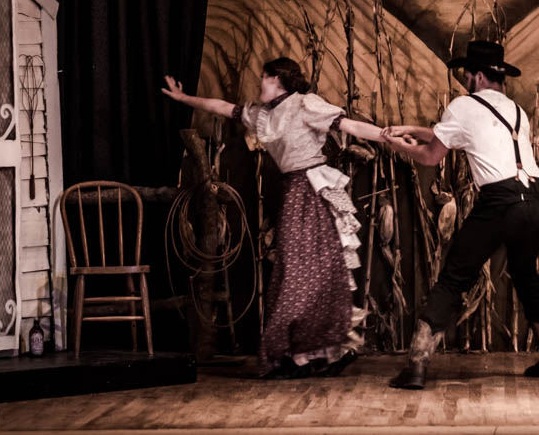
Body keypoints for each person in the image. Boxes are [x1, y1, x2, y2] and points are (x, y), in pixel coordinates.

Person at [162, 57, 382, 378]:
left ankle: (318, 353)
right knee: (294, 272)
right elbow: (221, 107)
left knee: (318, 272)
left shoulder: (305, 104)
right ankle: (304, 353)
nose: (259, 84)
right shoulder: (262, 114)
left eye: (263, 78)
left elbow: (350, 126)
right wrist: (184, 98)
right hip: (293, 191)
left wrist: (387, 135)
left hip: (314, 189)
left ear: (277, 79)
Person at [380, 40, 539, 389]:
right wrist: (412, 130)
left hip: (500, 202)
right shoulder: (516, 110)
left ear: (478, 76)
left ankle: (417, 364)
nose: (464, 81)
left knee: (454, 278)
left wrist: (395, 144)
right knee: (526, 274)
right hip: (534, 200)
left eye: (466, 75)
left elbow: (431, 156)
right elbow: (459, 137)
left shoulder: (463, 106)